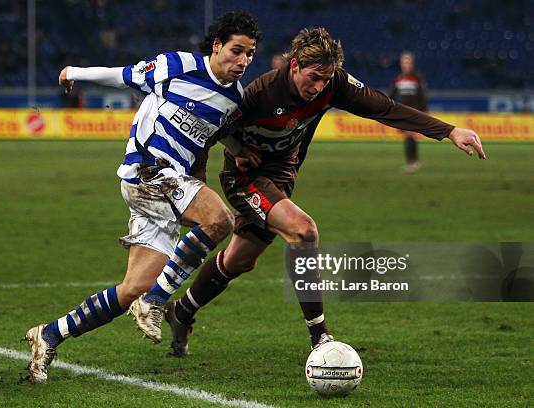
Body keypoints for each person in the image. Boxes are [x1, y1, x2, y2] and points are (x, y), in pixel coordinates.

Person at [135, 27, 485, 356]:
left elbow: (385, 107)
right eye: (313, 77)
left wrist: (448, 131)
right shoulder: (259, 94)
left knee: (241, 259)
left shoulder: (334, 84)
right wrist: (195, 191)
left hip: (282, 177)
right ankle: (320, 337)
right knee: (304, 231)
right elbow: (207, 134)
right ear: (294, 65)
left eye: (325, 79)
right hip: (245, 178)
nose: (318, 87)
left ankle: (181, 312)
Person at [23, 11, 261, 382]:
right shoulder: (178, 65)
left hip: (167, 185)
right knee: (219, 220)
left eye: (250, 54)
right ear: (217, 46)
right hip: (148, 171)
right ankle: (155, 301)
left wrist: (239, 149)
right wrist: (75, 73)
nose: (243, 61)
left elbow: (215, 130)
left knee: (132, 287)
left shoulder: (234, 97)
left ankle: (50, 335)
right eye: (237, 50)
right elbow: (124, 76)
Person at [389, 51, 428, 172]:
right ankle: (412, 162)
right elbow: (392, 95)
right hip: (402, 112)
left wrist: (424, 111)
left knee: (410, 136)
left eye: (408, 62)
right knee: (409, 137)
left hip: (414, 112)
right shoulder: (398, 79)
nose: (406, 65)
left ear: (412, 63)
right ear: (401, 64)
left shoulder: (417, 78)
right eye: (404, 62)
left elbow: (423, 96)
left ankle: (412, 163)